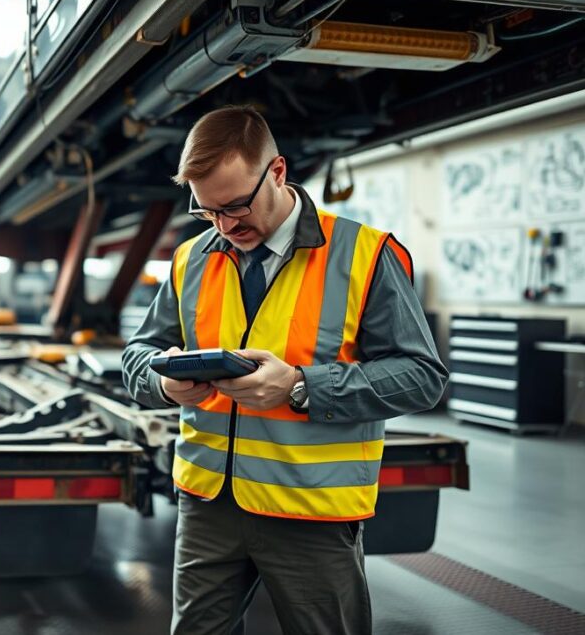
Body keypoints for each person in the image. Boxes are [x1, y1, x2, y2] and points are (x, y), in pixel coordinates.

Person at [121, 106, 448, 635]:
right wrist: (163, 382)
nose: (226, 227)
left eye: (235, 206)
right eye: (208, 213)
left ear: (277, 172)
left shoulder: (364, 254)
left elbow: (422, 376)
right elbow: (137, 355)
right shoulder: (191, 258)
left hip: (310, 508)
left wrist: (300, 385)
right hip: (208, 504)